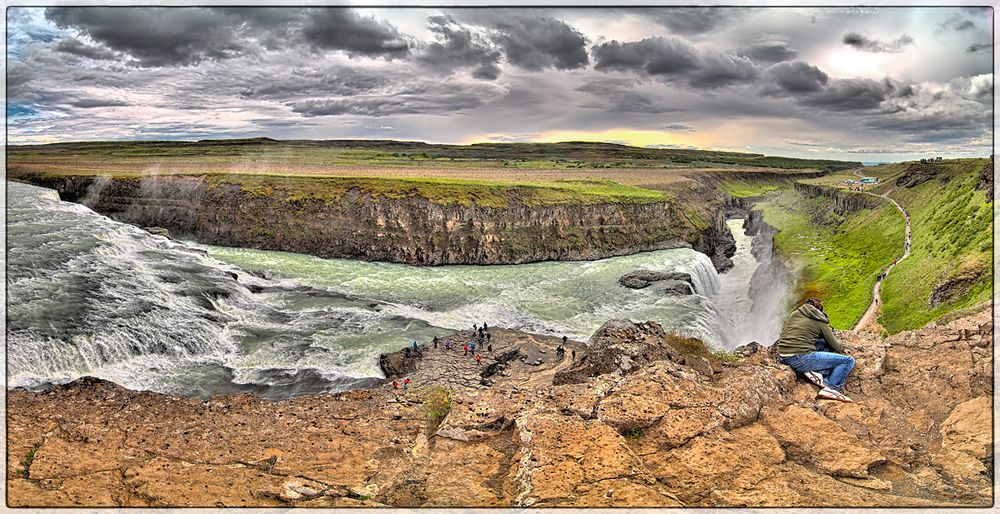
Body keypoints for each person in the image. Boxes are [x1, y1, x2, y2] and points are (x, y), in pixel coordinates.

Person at [776, 298, 855, 402]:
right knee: (848, 361)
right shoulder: (819, 321)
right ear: (820, 311)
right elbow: (835, 345)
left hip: (783, 354)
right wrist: (843, 348)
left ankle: (820, 372)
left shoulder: (795, 313)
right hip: (800, 357)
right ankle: (832, 387)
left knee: (823, 343)